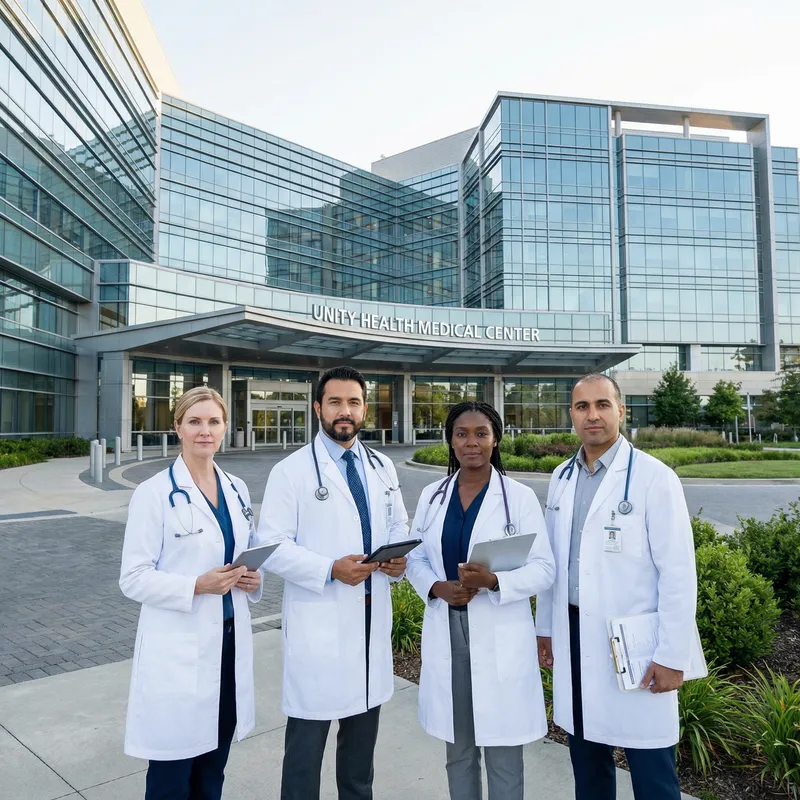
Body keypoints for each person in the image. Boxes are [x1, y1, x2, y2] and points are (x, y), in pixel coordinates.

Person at [536, 374, 697, 800]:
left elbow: (679, 574)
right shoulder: (561, 478)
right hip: (573, 637)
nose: (593, 415)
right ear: (571, 415)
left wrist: (671, 655)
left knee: (653, 774)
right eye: (582, 406)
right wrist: (544, 628)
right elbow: (551, 562)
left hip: (638, 647)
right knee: (588, 766)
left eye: (602, 405)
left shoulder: (653, 478)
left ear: (620, 411)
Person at [255, 365, 409, 800]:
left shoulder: (382, 466)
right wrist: (328, 569)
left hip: (370, 621)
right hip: (319, 628)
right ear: (318, 407)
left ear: (364, 410)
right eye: (336, 402)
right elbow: (271, 545)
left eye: (354, 402)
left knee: (360, 762)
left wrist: (397, 560)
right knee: (305, 757)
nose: (346, 411)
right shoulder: (292, 471)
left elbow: (398, 525)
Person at [405, 401, 556, 800]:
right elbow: (416, 556)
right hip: (448, 629)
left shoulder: (518, 497)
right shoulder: (432, 496)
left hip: (499, 630)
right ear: (450, 442)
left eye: (481, 433)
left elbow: (545, 568)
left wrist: (494, 581)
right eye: (461, 434)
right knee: (458, 747)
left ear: (496, 440)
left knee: (503, 750)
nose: (471, 442)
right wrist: (437, 587)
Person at [120, 386, 263, 800]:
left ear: (225, 428)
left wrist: (253, 580)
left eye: (213, 422)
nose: (205, 431)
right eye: (195, 422)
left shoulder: (237, 488)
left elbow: (243, 554)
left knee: (212, 771)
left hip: (229, 646)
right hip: (178, 652)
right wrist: (195, 586)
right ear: (177, 427)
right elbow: (133, 577)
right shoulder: (154, 493)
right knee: (172, 775)